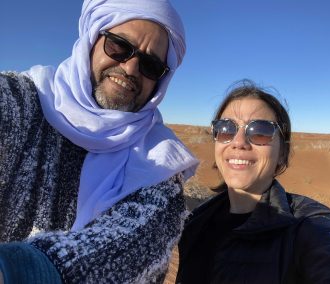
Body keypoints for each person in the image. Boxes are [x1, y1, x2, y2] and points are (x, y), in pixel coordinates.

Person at [0, 0, 199, 283]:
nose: (130, 69)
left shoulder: (160, 166)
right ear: (92, 40)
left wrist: (24, 272)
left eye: (151, 65)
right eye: (118, 46)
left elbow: (131, 246)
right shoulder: (22, 102)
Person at [176, 80, 330, 284]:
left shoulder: (307, 224)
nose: (238, 142)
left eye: (260, 131)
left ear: (282, 152)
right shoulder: (196, 220)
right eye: (226, 128)